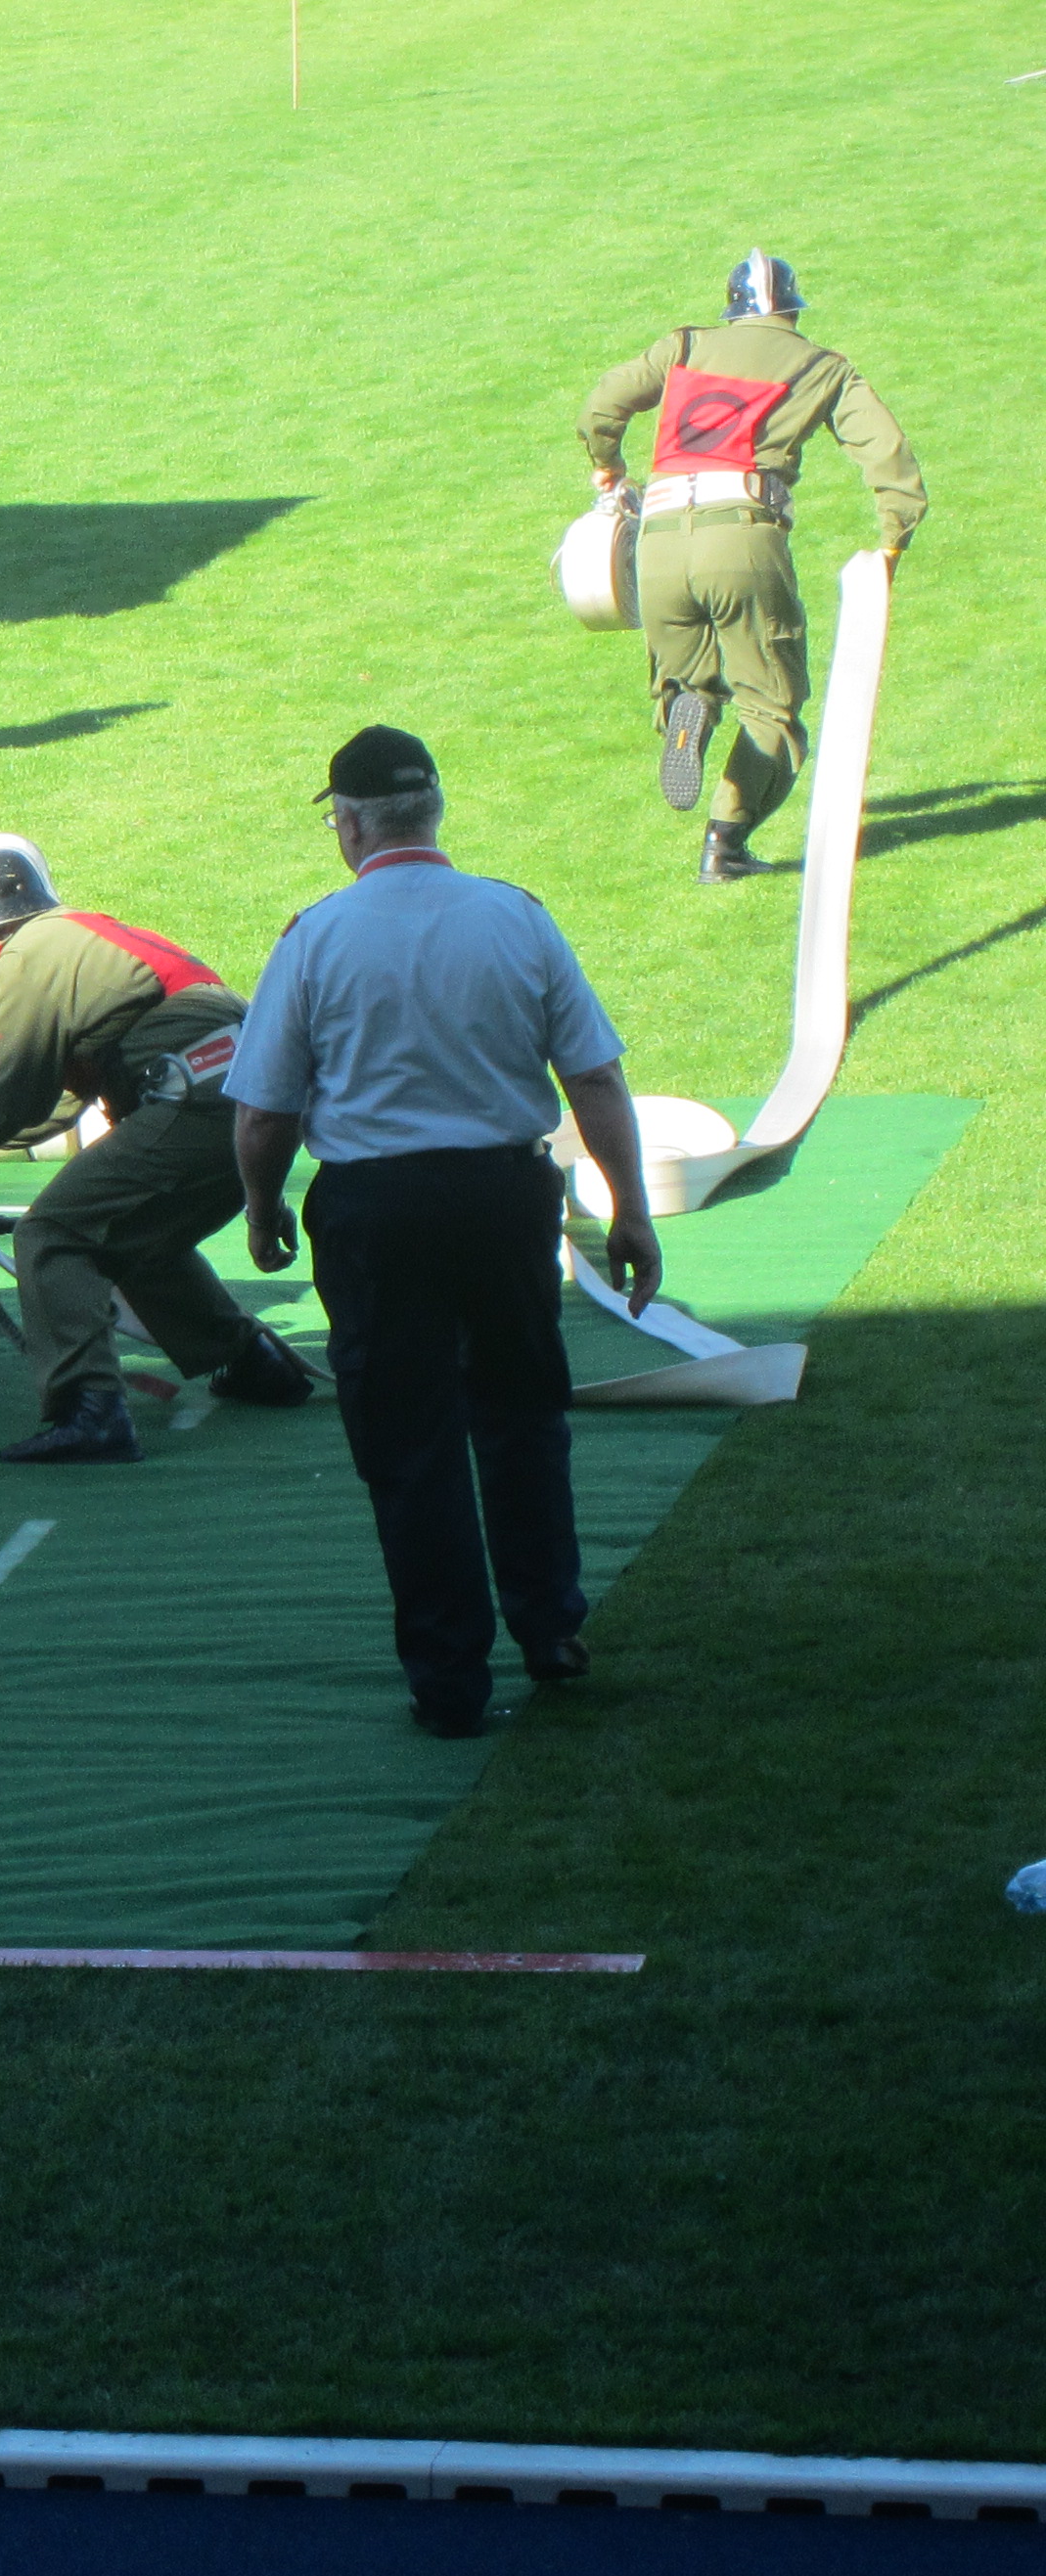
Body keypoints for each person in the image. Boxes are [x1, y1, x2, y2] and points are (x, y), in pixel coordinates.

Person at [228, 728, 660, 1740]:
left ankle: (449, 1678)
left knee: (407, 1444)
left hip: (376, 1212)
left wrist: (262, 1205)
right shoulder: (516, 918)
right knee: (523, 1413)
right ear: (433, 811)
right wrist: (630, 1207)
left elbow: (262, 1113)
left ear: (348, 825)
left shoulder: (315, 938)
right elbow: (593, 1077)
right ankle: (549, 1626)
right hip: (505, 1199)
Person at [0, 834, 316, 1464]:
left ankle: (89, 1411)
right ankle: (254, 1364)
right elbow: (54, 1103)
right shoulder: (81, 939)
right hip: (248, 1109)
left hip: (197, 1103)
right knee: (131, 1237)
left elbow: (15, 1096)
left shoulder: (27, 955)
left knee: (52, 1235)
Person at [577, 249, 925, 882]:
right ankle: (726, 844)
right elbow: (887, 453)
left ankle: (690, 705)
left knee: (690, 673)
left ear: (733, 309)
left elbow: (604, 404)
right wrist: (892, 540)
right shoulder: (824, 368)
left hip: (656, 543)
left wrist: (609, 463)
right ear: (791, 309)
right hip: (742, 541)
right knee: (773, 704)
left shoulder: (684, 345)